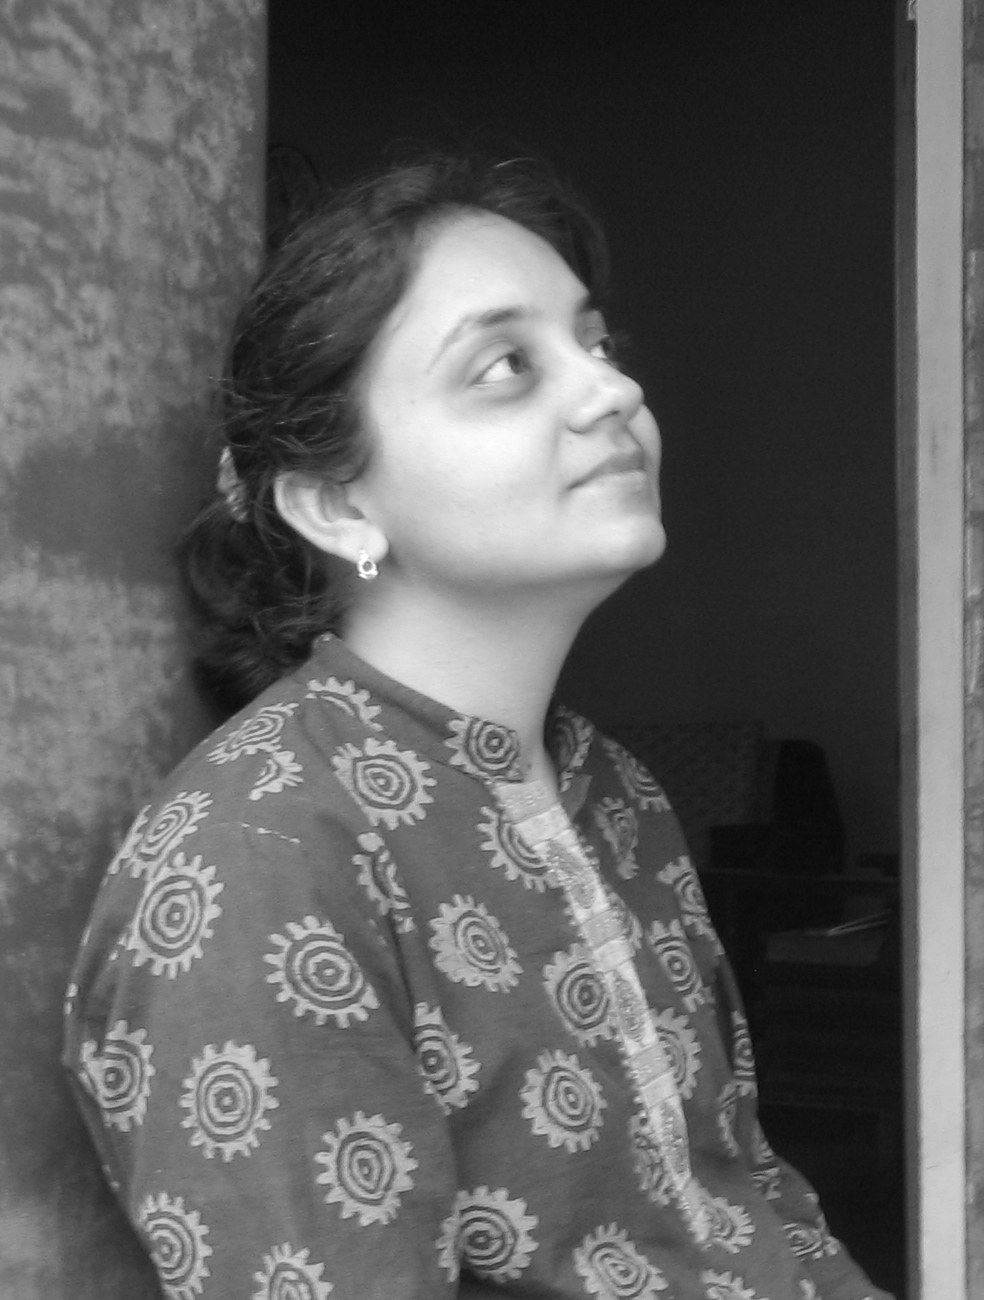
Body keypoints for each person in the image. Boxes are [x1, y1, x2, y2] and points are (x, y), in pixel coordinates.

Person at [63, 154, 894, 1300]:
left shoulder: (614, 790)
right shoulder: (262, 855)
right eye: (507, 366)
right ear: (336, 503)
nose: (612, 392)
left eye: (597, 344)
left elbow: (745, 1194)